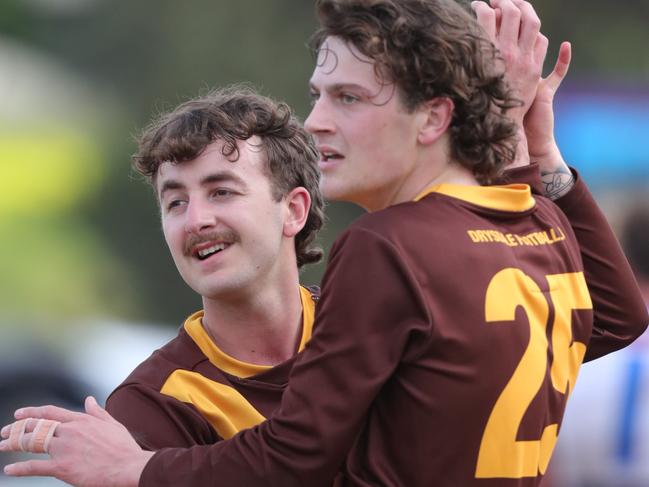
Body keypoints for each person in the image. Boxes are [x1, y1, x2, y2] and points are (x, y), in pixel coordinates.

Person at [1, 0, 647, 486]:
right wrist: (539, 152)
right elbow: (622, 314)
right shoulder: (540, 224)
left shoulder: (386, 249)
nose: (316, 119)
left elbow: (294, 456)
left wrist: (136, 469)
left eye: (347, 97)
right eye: (174, 199)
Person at [98, 87, 325, 450]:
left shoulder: (368, 331)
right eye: (176, 202)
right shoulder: (151, 405)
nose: (195, 221)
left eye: (221, 192)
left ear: (293, 211)